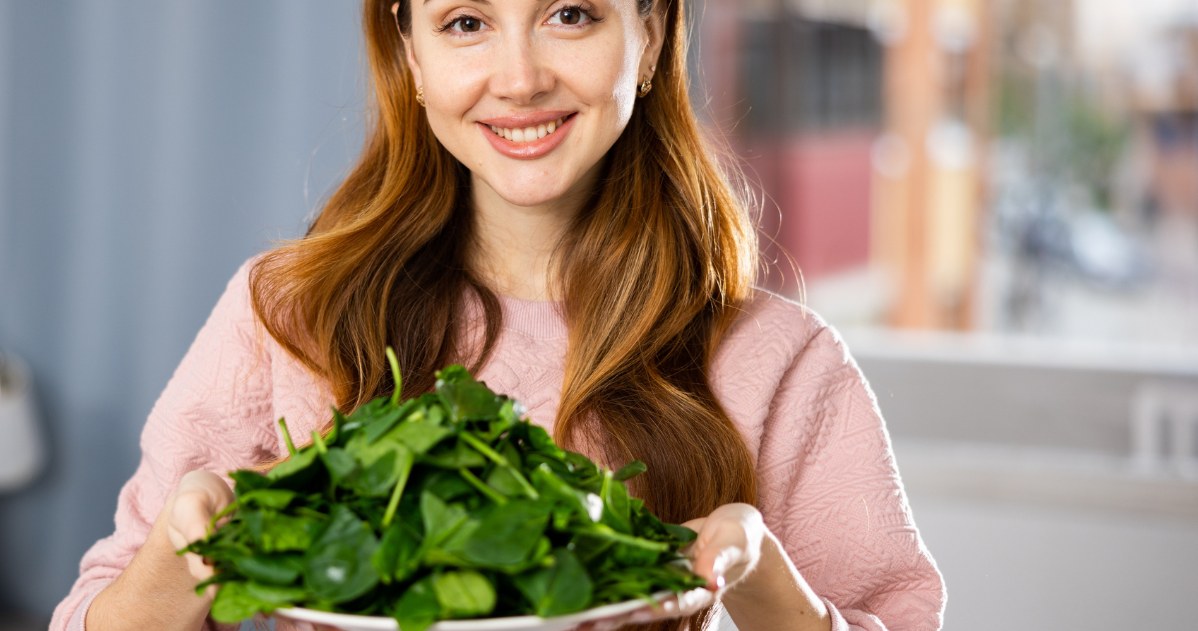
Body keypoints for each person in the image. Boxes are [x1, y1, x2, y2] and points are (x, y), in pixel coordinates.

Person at [51, 0, 945, 630]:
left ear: (653, 27)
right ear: (408, 52)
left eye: (570, 13)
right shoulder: (285, 316)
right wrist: (183, 545)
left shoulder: (781, 361)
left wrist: (757, 578)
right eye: (466, 23)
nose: (518, 79)